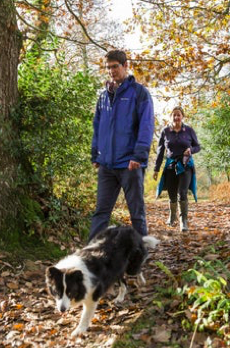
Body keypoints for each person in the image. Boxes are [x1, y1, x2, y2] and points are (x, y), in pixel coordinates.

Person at [89, 49, 155, 242]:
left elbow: (146, 126)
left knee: (136, 213)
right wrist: (95, 155)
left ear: (125, 66)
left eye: (115, 66)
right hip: (107, 166)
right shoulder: (103, 96)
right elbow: (98, 127)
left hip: (130, 164)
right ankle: (89, 257)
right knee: (101, 213)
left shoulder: (139, 93)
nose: (111, 71)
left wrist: (139, 156)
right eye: (108, 67)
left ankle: (140, 257)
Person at [153, 106, 201, 231]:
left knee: (182, 192)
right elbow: (160, 151)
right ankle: (172, 216)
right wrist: (156, 169)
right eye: (174, 115)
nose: (176, 117)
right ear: (171, 117)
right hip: (170, 166)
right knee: (172, 194)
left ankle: (183, 221)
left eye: (178, 115)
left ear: (182, 116)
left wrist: (191, 149)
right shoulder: (165, 131)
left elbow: (198, 146)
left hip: (186, 166)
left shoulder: (189, 130)